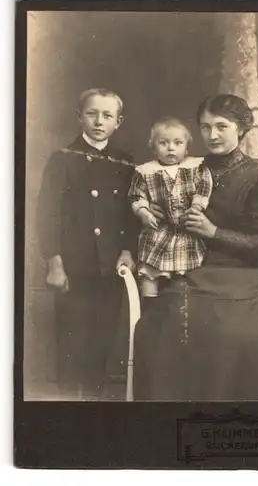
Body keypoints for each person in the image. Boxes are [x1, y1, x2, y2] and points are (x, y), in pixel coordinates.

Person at [133, 94, 258, 401]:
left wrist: (213, 231)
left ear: (241, 128)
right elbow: (149, 202)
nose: (213, 135)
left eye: (222, 126)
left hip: (242, 274)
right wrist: (154, 213)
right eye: (205, 127)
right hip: (192, 268)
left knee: (229, 331)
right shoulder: (184, 168)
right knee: (166, 323)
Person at [37, 88, 138, 401]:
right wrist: (54, 262)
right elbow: (48, 214)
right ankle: (67, 403)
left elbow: (132, 213)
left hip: (110, 266)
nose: (99, 121)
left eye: (107, 115)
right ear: (79, 116)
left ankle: (92, 404)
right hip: (73, 265)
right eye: (92, 113)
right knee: (71, 339)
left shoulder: (125, 163)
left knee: (102, 338)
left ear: (118, 122)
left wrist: (127, 251)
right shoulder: (62, 159)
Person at [128, 117, 213, 301]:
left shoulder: (195, 168)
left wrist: (197, 206)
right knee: (150, 269)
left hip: (186, 231)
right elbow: (136, 195)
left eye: (178, 143)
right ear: (153, 148)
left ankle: (181, 307)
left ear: (187, 148)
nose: (171, 148)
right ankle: (149, 302)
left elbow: (204, 187)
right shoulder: (145, 171)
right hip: (159, 230)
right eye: (163, 143)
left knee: (185, 275)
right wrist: (143, 211)